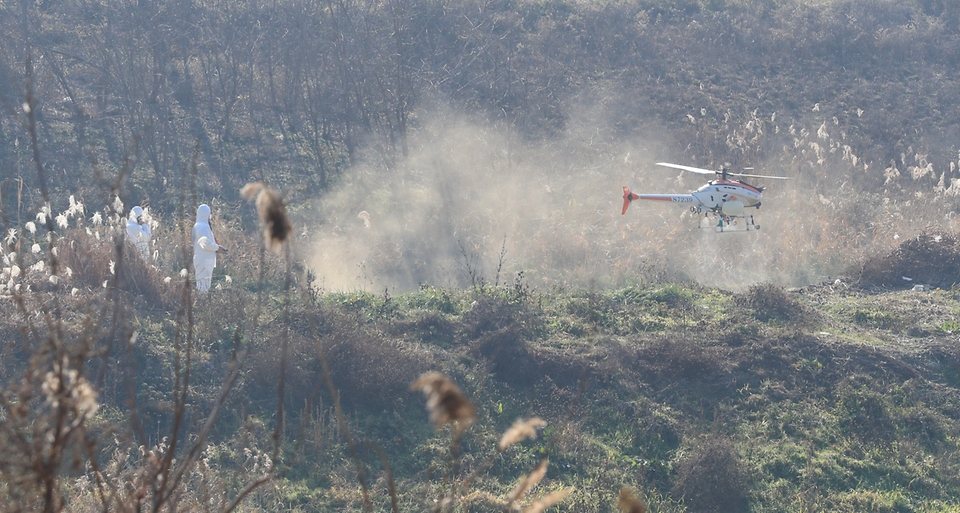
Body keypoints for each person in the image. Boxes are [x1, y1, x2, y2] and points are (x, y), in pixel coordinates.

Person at [192, 204, 227, 292]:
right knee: (204, 286)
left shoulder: (197, 226)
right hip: (204, 259)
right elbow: (206, 244)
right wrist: (218, 248)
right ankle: (202, 304)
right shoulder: (203, 227)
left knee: (201, 284)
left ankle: (201, 302)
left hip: (201, 258)